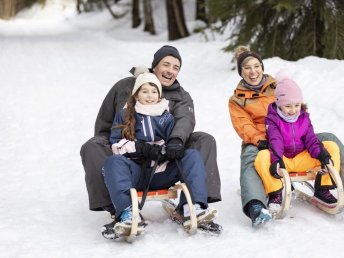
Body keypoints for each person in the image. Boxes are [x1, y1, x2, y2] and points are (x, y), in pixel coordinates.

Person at [80, 45, 221, 234]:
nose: (170, 70)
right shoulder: (124, 87)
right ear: (155, 66)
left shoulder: (180, 96)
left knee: (204, 141)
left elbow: (184, 121)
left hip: (168, 153)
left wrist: (175, 140)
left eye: (176, 67)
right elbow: (105, 124)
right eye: (166, 64)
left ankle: (195, 205)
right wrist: (124, 145)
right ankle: (120, 210)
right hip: (128, 151)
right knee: (93, 146)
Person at [228, 45, 344, 227]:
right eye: (247, 68)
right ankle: (256, 204)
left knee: (329, 139)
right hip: (261, 139)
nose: (253, 72)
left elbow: (296, 104)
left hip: (291, 133)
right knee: (251, 157)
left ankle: (333, 182)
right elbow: (243, 125)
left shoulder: (278, 85)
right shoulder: (237, 99)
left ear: (262, 67)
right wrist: (261, 140)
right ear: (241, 72)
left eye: (256, 66)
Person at [103, 71, 217, 235]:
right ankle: (127, 214)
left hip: (164, 172)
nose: (150, 96)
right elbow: (115, 145)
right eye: (145, 91)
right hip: (138, 173)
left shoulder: (167, 116)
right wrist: (140, 148)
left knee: (192, 155)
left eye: (154, 91)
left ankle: (193, 207)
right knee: (112, 162)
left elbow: (174, 141)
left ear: (159, 94)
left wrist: (170, 149)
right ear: (136, 94)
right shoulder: (124, 114)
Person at [254, 71, 340, 212]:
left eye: (297, 105)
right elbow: (276, 140)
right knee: (262, 157)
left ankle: (323, 188)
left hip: (301, 159)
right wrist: (276, 161)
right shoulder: (272, 119)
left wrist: (322, 155)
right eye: (288, 106)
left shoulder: (304, 118)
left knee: (331, 147)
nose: (293, 110)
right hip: (283, 162)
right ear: (279, 103)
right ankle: (275, 193)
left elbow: (311, 139)